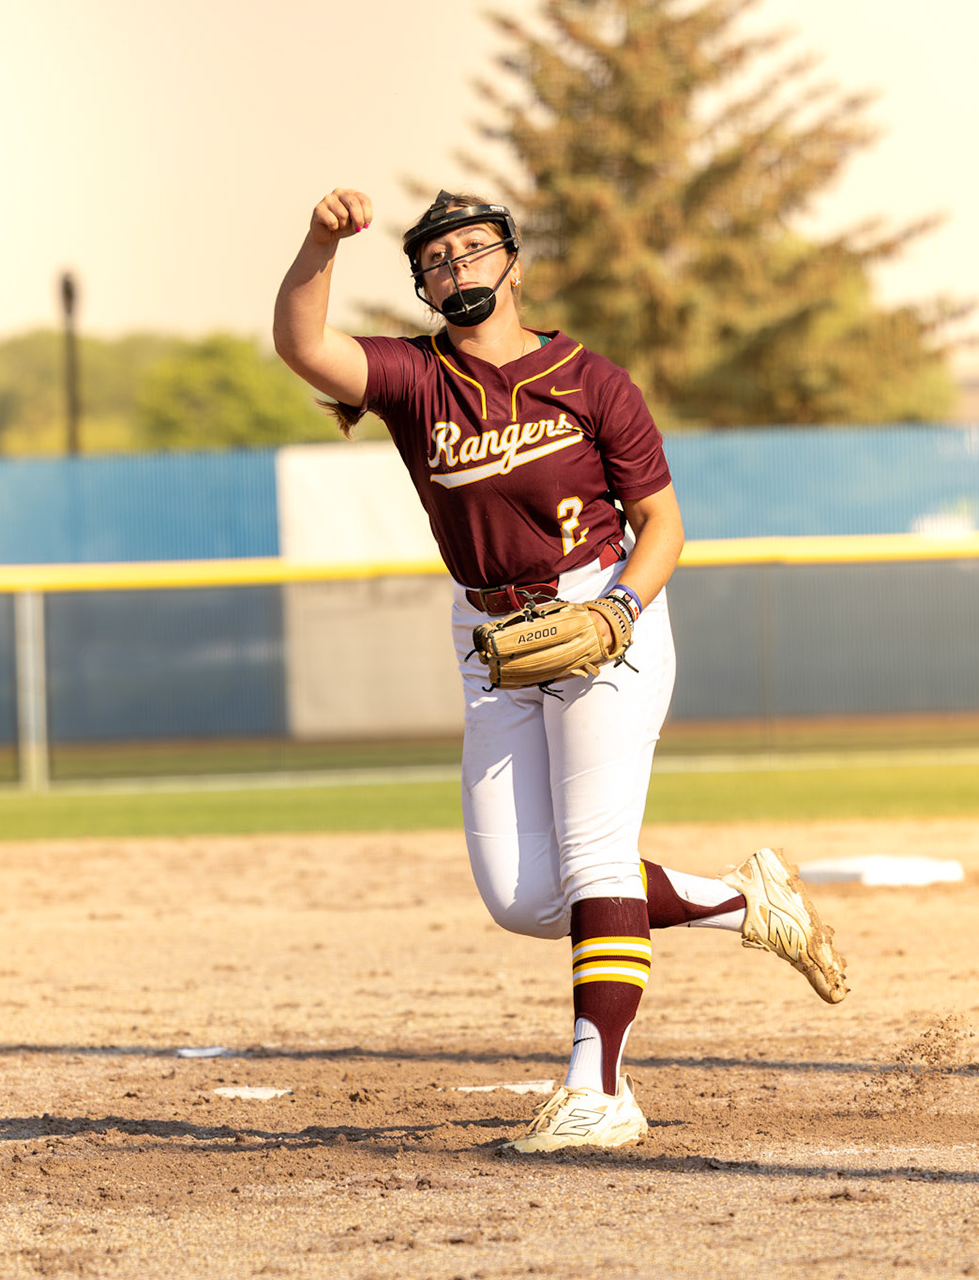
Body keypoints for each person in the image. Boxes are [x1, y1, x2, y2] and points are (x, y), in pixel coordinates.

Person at [272, 187, 849, 1152]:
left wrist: (619, 611)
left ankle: (599, 1088)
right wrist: (320, 242)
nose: (457, 267)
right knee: (524, 897)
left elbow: (662, 526)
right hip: (490, 637)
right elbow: (302, 343)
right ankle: (748, 902)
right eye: (437, 260)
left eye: (472, 248)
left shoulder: (592, 380)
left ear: (511, 262)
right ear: (422, 286)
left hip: (601, 613)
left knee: (595, 858)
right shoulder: (417, 380)